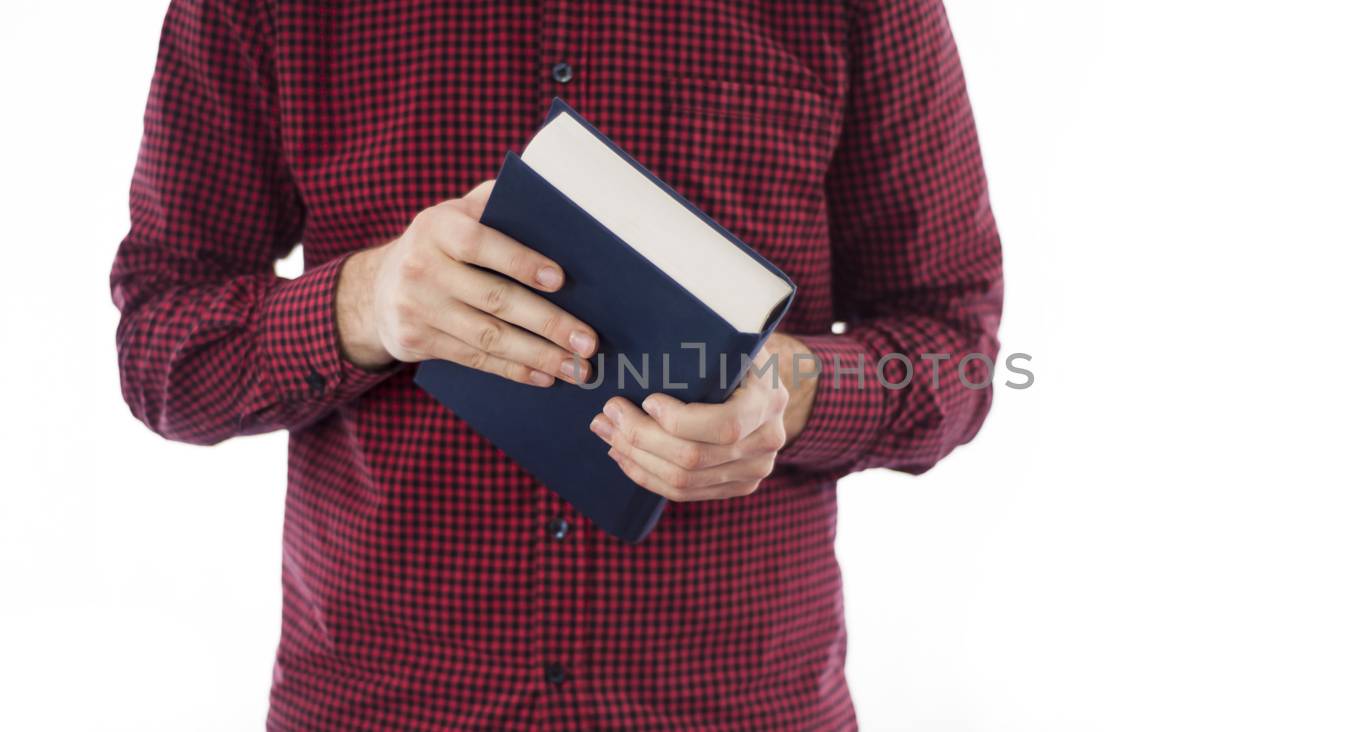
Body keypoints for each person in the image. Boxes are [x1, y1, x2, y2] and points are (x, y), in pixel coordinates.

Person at [111, 0, 1003, 728]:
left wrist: (793, 392)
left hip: (733, 705)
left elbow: (955, 346)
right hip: (383, 704)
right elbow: (162, 351)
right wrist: (365, 304)